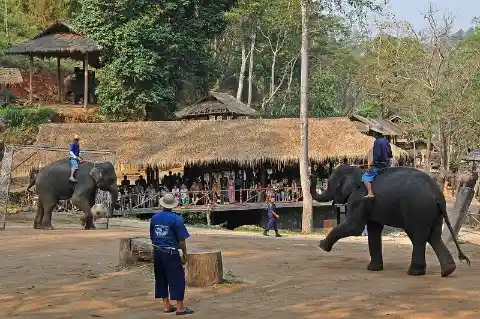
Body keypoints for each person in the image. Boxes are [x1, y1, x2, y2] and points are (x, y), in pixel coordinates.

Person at [150, 193, 194, 315]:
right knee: (177, 278)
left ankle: (167, 305)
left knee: (161, 277)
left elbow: (152, 237)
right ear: (173, 205)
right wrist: (185, 254)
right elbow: (181, 241)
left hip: (158, 251)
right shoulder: (176, 219)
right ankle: (180, 308)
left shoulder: (154, 218)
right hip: (171, 252)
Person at [361, 131, 393, 198]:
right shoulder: (386, 141)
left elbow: (376, 156)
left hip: (379, 166)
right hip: (387, 165)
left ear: (375, 133)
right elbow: (390, 154)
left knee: (365, 177)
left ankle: (370, 193)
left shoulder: (377, 142)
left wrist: (371, 166)